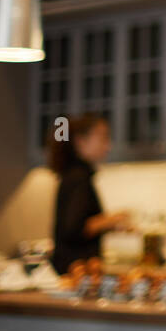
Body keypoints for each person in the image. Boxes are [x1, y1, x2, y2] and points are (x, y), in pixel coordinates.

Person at [47, 114, 131, 274]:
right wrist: (111, 220)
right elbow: (73, 228)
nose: (108, 146)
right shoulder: (79, 177)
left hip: (74, 269)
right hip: (75, 270)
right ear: (81, 141)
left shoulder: (73, 174)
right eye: (103, 138)